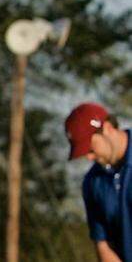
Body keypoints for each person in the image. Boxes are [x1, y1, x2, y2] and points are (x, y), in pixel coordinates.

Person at [66, 102, 131, 261]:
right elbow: (103, 245)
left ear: (107, 128)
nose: (89, 157)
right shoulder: (92, 183)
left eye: (90, 148)